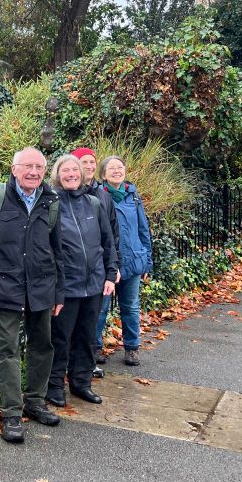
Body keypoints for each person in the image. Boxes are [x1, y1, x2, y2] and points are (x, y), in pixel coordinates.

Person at [0, 147, 65, 443]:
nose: (33, 172)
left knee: (43, 345)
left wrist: (59, 292)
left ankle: (35, 400)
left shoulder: (51, 201)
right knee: (7, 348)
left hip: (42, 286)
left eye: (39, 167)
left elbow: (58, 251)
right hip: (5, 285)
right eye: (27, 166)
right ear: (15, 168)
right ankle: (11, 413)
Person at [46, 154, 118, 407]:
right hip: (67, 286)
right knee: (61, 338)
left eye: (75, 171)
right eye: (66, 171)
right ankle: (54, 386)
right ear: (57, 175)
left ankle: (81, 383)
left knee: (87, 337)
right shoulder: (51, 204)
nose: (71, 175)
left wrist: (110, 272)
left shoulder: (93, 203)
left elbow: (107, 242)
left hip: (94, 284)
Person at [93, 155, 153, 366]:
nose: (117, 171)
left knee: (130, 306)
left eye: (120, 167)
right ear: (103, 174)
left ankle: (132, 348)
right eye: (112, 168)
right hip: (107, 262)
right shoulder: (98, 195)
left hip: (133, 260)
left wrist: (147, 260)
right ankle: (96, 347)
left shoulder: (133, 195)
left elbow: (143, 229)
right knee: (101, 307)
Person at [72, 147, 121, 374]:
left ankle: (87, 364)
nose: (90, 166)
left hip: (98, 267)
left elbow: (111, 233)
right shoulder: (67, 192)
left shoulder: (102, 195)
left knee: (93, 320)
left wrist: (114, 266)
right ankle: (72, 366)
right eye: (84, 162)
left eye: (92, 162)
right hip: (74, 271)